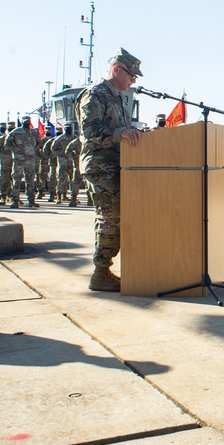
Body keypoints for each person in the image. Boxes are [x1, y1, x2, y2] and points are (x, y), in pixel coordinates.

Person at [78, 47, 143, 292]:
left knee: (118, 219)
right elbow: (89, 132)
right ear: (116, 70)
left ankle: (107, 269)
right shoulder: (95, 95)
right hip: (100, 167)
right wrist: (121, 133)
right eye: (131, 75)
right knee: (110, 219)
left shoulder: (118, 97)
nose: (133, 80)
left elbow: (123, 133)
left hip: (119, 167)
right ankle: (100, 272)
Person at [6, 116, 41, 208]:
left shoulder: (33, 132)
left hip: (30, 160)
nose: (27, 123)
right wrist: (15, 150)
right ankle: (15, 200)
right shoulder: (16, 132)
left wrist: (34, 150)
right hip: (19, 160)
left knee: (30, 181)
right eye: (25, 122)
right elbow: (7, 143)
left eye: (28, 122)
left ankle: (31, 200)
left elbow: (39, 142)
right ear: (22, 122)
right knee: (16, 180)